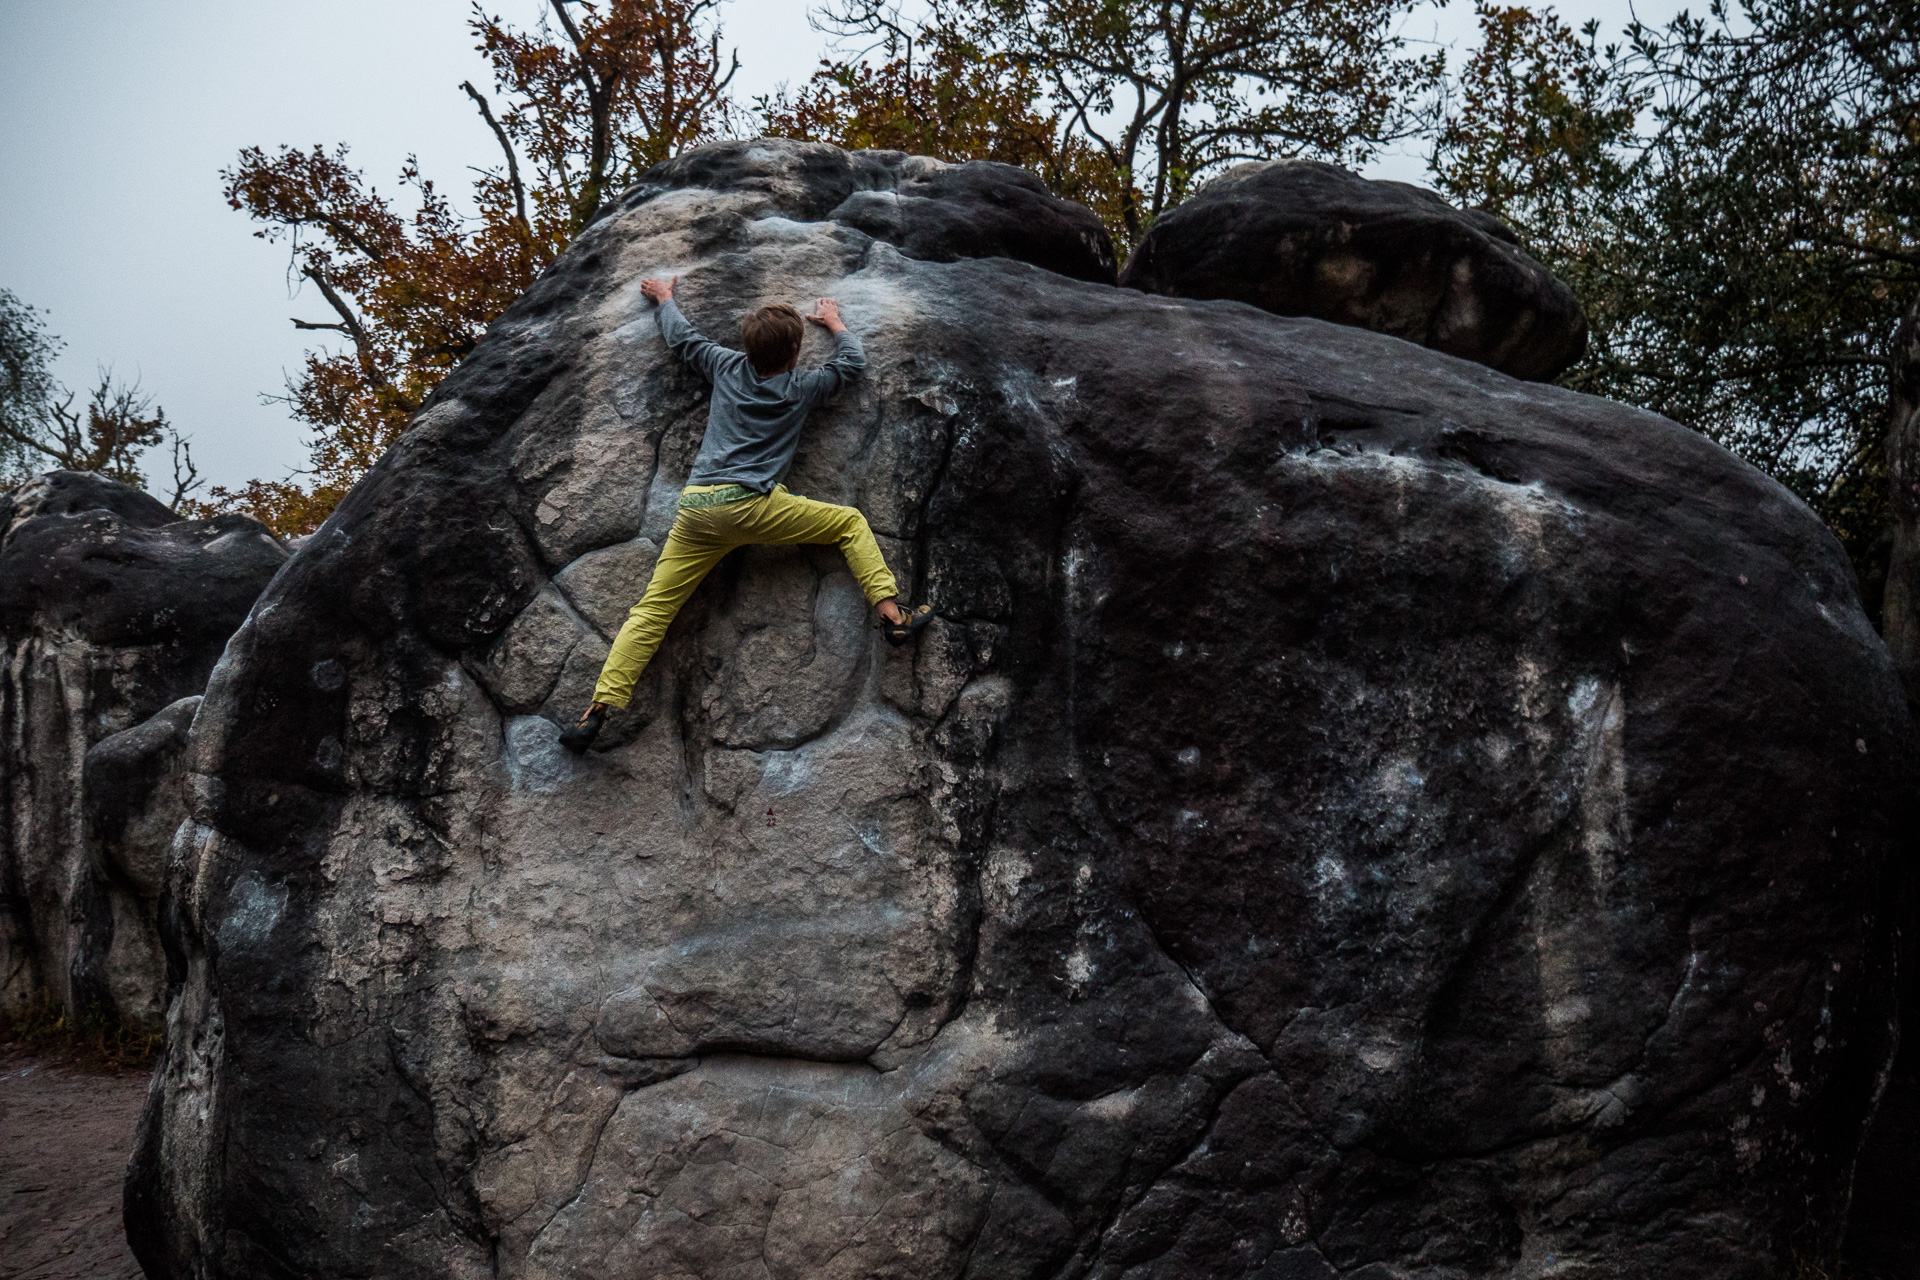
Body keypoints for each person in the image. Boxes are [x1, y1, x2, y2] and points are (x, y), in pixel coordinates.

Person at [560, 274, 932, 754]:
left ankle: (596, 711)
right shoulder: (801, 387)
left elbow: (683, 339)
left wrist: (665, 299)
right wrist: (835, 322)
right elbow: (852, 363)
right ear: (795, 351)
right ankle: (892, 614)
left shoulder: (725, 365)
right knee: (849, 523)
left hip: (697, 509)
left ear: (748, 347)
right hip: (751, 505)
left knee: (651, 611)